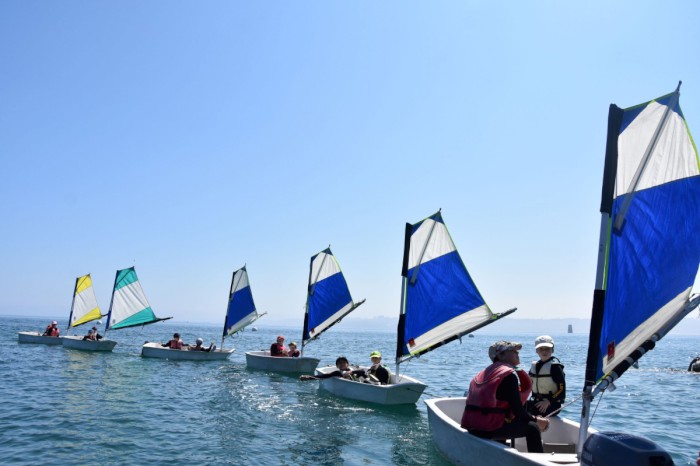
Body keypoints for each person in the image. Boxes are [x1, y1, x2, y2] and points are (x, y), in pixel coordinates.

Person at [461, 340, 548, 454]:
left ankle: (500, 451)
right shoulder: (508, 376)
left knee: (506, 418)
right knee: (532, 428)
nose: (517, 353)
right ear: (500, 355)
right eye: (512, 351)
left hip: (472, 427)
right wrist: (537, 420)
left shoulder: (483, 374)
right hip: (487, 429)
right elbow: (518, 412)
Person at [527, 335, 566, 417]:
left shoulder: (555, 367)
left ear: (553, 350)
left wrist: (548, 401)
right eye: (541, 349)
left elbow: (561, 390)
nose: (544, 351)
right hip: (536, 402)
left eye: (547, 348)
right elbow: (527, 384)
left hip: (551, 404)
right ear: (536, 350)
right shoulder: (534, 366)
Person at [299, 356, 365, 381]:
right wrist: (308, 377)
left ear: (347, 363)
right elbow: (324, 376)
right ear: (337, 366)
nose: (342, 364)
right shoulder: (338, 373)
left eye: (343, 362)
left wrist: (352, 372)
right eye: (339, 363)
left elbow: (363, 371)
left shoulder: (352, 369)